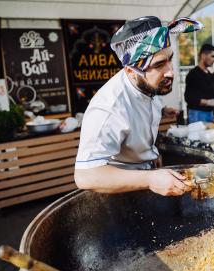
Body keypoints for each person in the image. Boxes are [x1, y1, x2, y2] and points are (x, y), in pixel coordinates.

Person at [74, 16, 203, 196]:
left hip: (148, 175)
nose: (171, 72)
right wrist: (150, 179)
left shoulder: (149, 85)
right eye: (159, 64)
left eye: (169, 59)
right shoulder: (109, 107)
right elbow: (86, 176)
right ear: (131, 71)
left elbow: (141, 109)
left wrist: (153, 152)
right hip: (120, 192)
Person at [184, 44, 214, 123]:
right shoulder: (193, 74)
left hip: (210, 113)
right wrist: (208, 102)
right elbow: (189, 97)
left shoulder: (208, 73)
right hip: (197, 114)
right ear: (203, 55)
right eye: (212, 56)